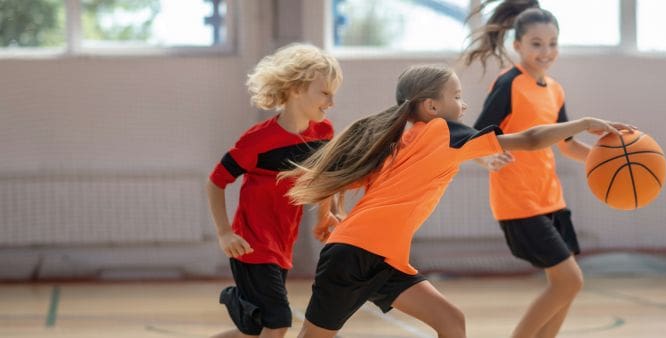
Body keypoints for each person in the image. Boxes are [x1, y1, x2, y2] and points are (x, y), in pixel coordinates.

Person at [280, 64, 634, 338]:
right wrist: (583, 122)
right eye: (458, 96)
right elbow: (528, 139)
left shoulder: (404, 140)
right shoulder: (442, 131)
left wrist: (330, 214)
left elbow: (341, 177)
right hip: (353, 256)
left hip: (385, 260)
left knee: (451, 320)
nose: (464, 105)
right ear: (433, 106)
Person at [463, 1, 606, 337]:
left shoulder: (555, 90)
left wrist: (608, 158)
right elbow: (476, 137)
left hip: (551, 199)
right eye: (537, 44)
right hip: (518, 201)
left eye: (553, 43)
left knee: (566, 288)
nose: (546, 51)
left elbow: (568, 144)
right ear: (518, 46)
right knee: (570, 280)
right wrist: (485, 158)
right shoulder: (510, 83)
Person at [205, 43, 342, 338]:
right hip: (252, 246)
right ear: (296, 89)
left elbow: (323, 177)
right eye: (325, 92)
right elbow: (216, 182)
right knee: (278, 320)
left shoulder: (323, 133)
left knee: (256, 330)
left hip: (282, 245)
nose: (331, 101)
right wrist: (225, 232)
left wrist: (325, 215)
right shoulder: (258, 140)